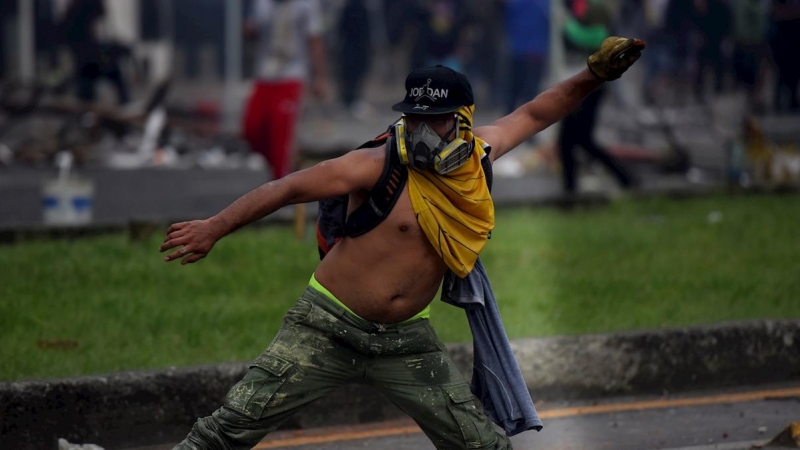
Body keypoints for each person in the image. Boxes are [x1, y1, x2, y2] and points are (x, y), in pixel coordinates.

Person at [161, 36, 645, 450]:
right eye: (414, 118)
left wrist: (594, 74)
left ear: (463, 118)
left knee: (483, 445)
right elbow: (287, 188)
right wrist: (214, 227)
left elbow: (540, 111)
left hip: (405, 342)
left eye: (434, 120)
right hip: (326, 328)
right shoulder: (375, 162)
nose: (421, 130)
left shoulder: (479, 156)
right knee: (224, 434)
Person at [241, 0, 329, 180]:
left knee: (281, 131)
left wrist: (319, 77)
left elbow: (314, 40)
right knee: (252, 127)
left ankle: (281, 184)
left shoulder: (307, 4)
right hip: (265, 73)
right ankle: (280, 164)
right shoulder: (262, 4)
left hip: (292, 74)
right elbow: (253, 30)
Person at [559, 0, 635, 195]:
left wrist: (566, 24)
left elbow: (596, 37)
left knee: (571, 140)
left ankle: (571, 191)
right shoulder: (580, 6)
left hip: (591, 87)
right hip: (583, 84)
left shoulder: (598, 7)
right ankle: (624, 178)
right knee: (579, 140)